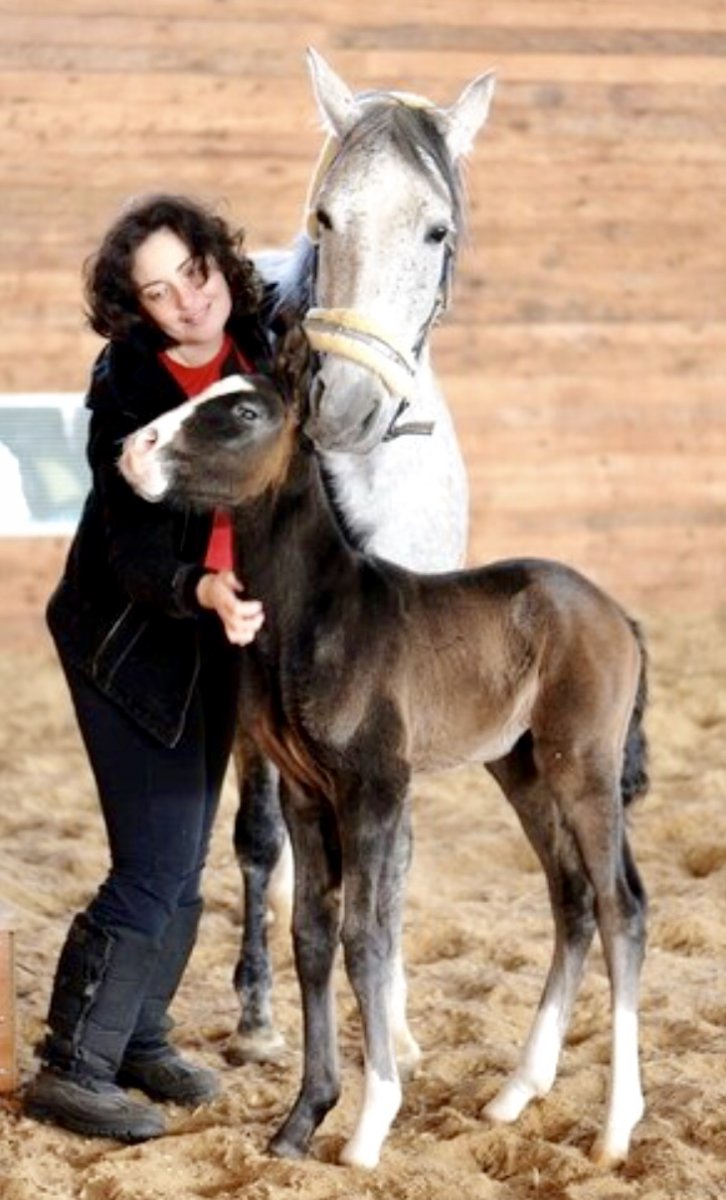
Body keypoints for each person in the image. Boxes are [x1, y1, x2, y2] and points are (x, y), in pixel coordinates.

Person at [24, 194, 272, 1142]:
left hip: (217, 635)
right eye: (159, 292)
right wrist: (198, 586)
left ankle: (139, 1038)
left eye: (194, 274)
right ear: (138, 307)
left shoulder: (262, 344)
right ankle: (73, 1066)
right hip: (126, 637)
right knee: (154, 861)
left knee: (186, 857)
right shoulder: (126, 390)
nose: (187, 301)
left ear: (219, 263)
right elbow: (127, 551)